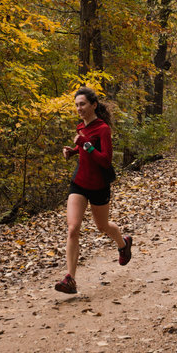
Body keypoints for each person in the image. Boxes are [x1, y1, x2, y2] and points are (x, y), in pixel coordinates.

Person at [56, 86, 132, 294]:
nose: (79, 108)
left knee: (102, 226)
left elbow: (105, 160)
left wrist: (85, 144)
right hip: (79, 182)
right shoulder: (81, 126)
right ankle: (70, 278)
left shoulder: (103, 129)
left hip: (99, 185)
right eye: (77, 105)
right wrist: (72, 152)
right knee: (73, 228)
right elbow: (85, 151)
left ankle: (123, 243)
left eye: (82, 104)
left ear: (93, 105)